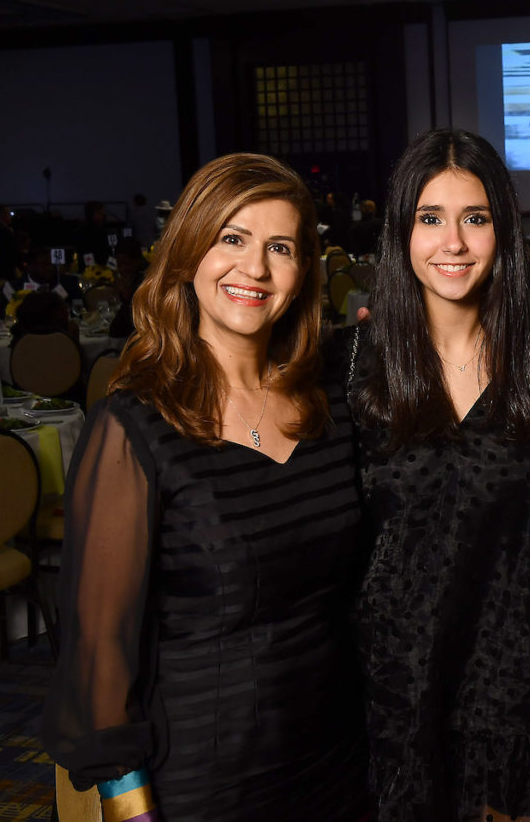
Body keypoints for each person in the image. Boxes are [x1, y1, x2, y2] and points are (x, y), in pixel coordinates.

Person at [43, 153, 369, 821]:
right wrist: (131, 810)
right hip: (205, 783)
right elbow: (99, 651)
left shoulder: (330, 406)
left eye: (280, 247)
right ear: (189, 252)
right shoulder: (133, 428)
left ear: (303, 270)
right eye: (232, 238)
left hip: (341, 764)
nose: (255, 268)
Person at [350, 128, 530, 821]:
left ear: (502, 230)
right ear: (402, 232)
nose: (453, 242)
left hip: (513, 692)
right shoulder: (355, 364)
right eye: (430, 218)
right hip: (392, 688)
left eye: (474, 218)